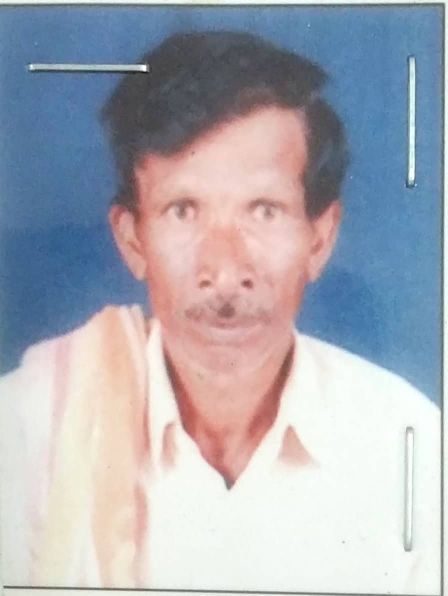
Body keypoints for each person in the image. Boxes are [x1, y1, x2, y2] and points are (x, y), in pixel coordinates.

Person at [0, 31, 440, 593]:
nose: (225, 269)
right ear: (133, 241)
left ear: (320, 238)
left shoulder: (411, 446)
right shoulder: (26, 431)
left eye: (264, 210)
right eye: (184, 210)